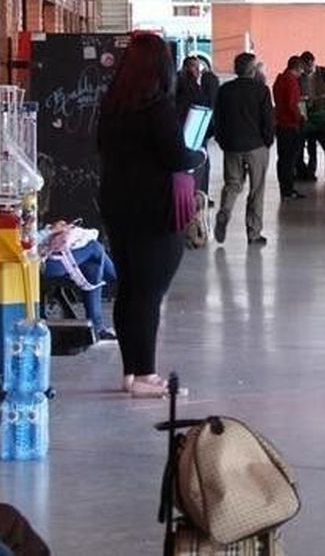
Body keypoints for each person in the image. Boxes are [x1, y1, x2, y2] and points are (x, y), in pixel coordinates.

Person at [96, 31, 203, 397]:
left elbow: (102, 148)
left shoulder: (112, 105)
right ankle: (145, 375)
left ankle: (131, 371)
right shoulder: (157, 107)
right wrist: (198, 154)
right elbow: (176, 156)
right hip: (155, 209)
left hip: (118, 204)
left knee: (129, 287)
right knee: (149, 291)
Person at [212, 52, 275, 247]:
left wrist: (222, 141)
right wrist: (268, 141)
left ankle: (225, 211)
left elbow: (218, 118)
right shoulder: (261, 90)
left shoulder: (225, 90)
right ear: (252, 70)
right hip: (256, 146)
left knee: (232, 184)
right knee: (257, 189)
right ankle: (253, 233)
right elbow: (268, 119)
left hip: (232, 145)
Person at [38, 221, 117, 342]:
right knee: (95, 249)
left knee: (92, 265)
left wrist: (59, 229)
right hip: (43, 263)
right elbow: (33, 240)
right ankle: (97, 325)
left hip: (46, 257)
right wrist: (54, 231)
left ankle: (97, 326)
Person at [174, 55, 219, 195]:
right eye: (195, 67)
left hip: (188, 130)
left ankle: (197, 193)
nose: (198, 71)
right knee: (200, 164)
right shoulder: (190, 88)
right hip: (193, 131)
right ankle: (199, 194)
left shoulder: (181, 85)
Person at [272, 55, 306, 201]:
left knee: (283, 158)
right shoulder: (291, 81)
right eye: (301, 70)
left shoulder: (279, 79)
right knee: (290, 159)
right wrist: (300, 119)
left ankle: (284, 188)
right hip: (290, 125)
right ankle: (288, 189)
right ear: (297, 68)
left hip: (280, 124)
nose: (302, 73)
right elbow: (292, 104)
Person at [298, 51, 325, 181]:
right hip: (308, 117)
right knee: (311, 146)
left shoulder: (323, 73)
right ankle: (310, 172)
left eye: (310, 65)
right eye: (306, 66)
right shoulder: (300, 76)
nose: (308, 68)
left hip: (322, 116)